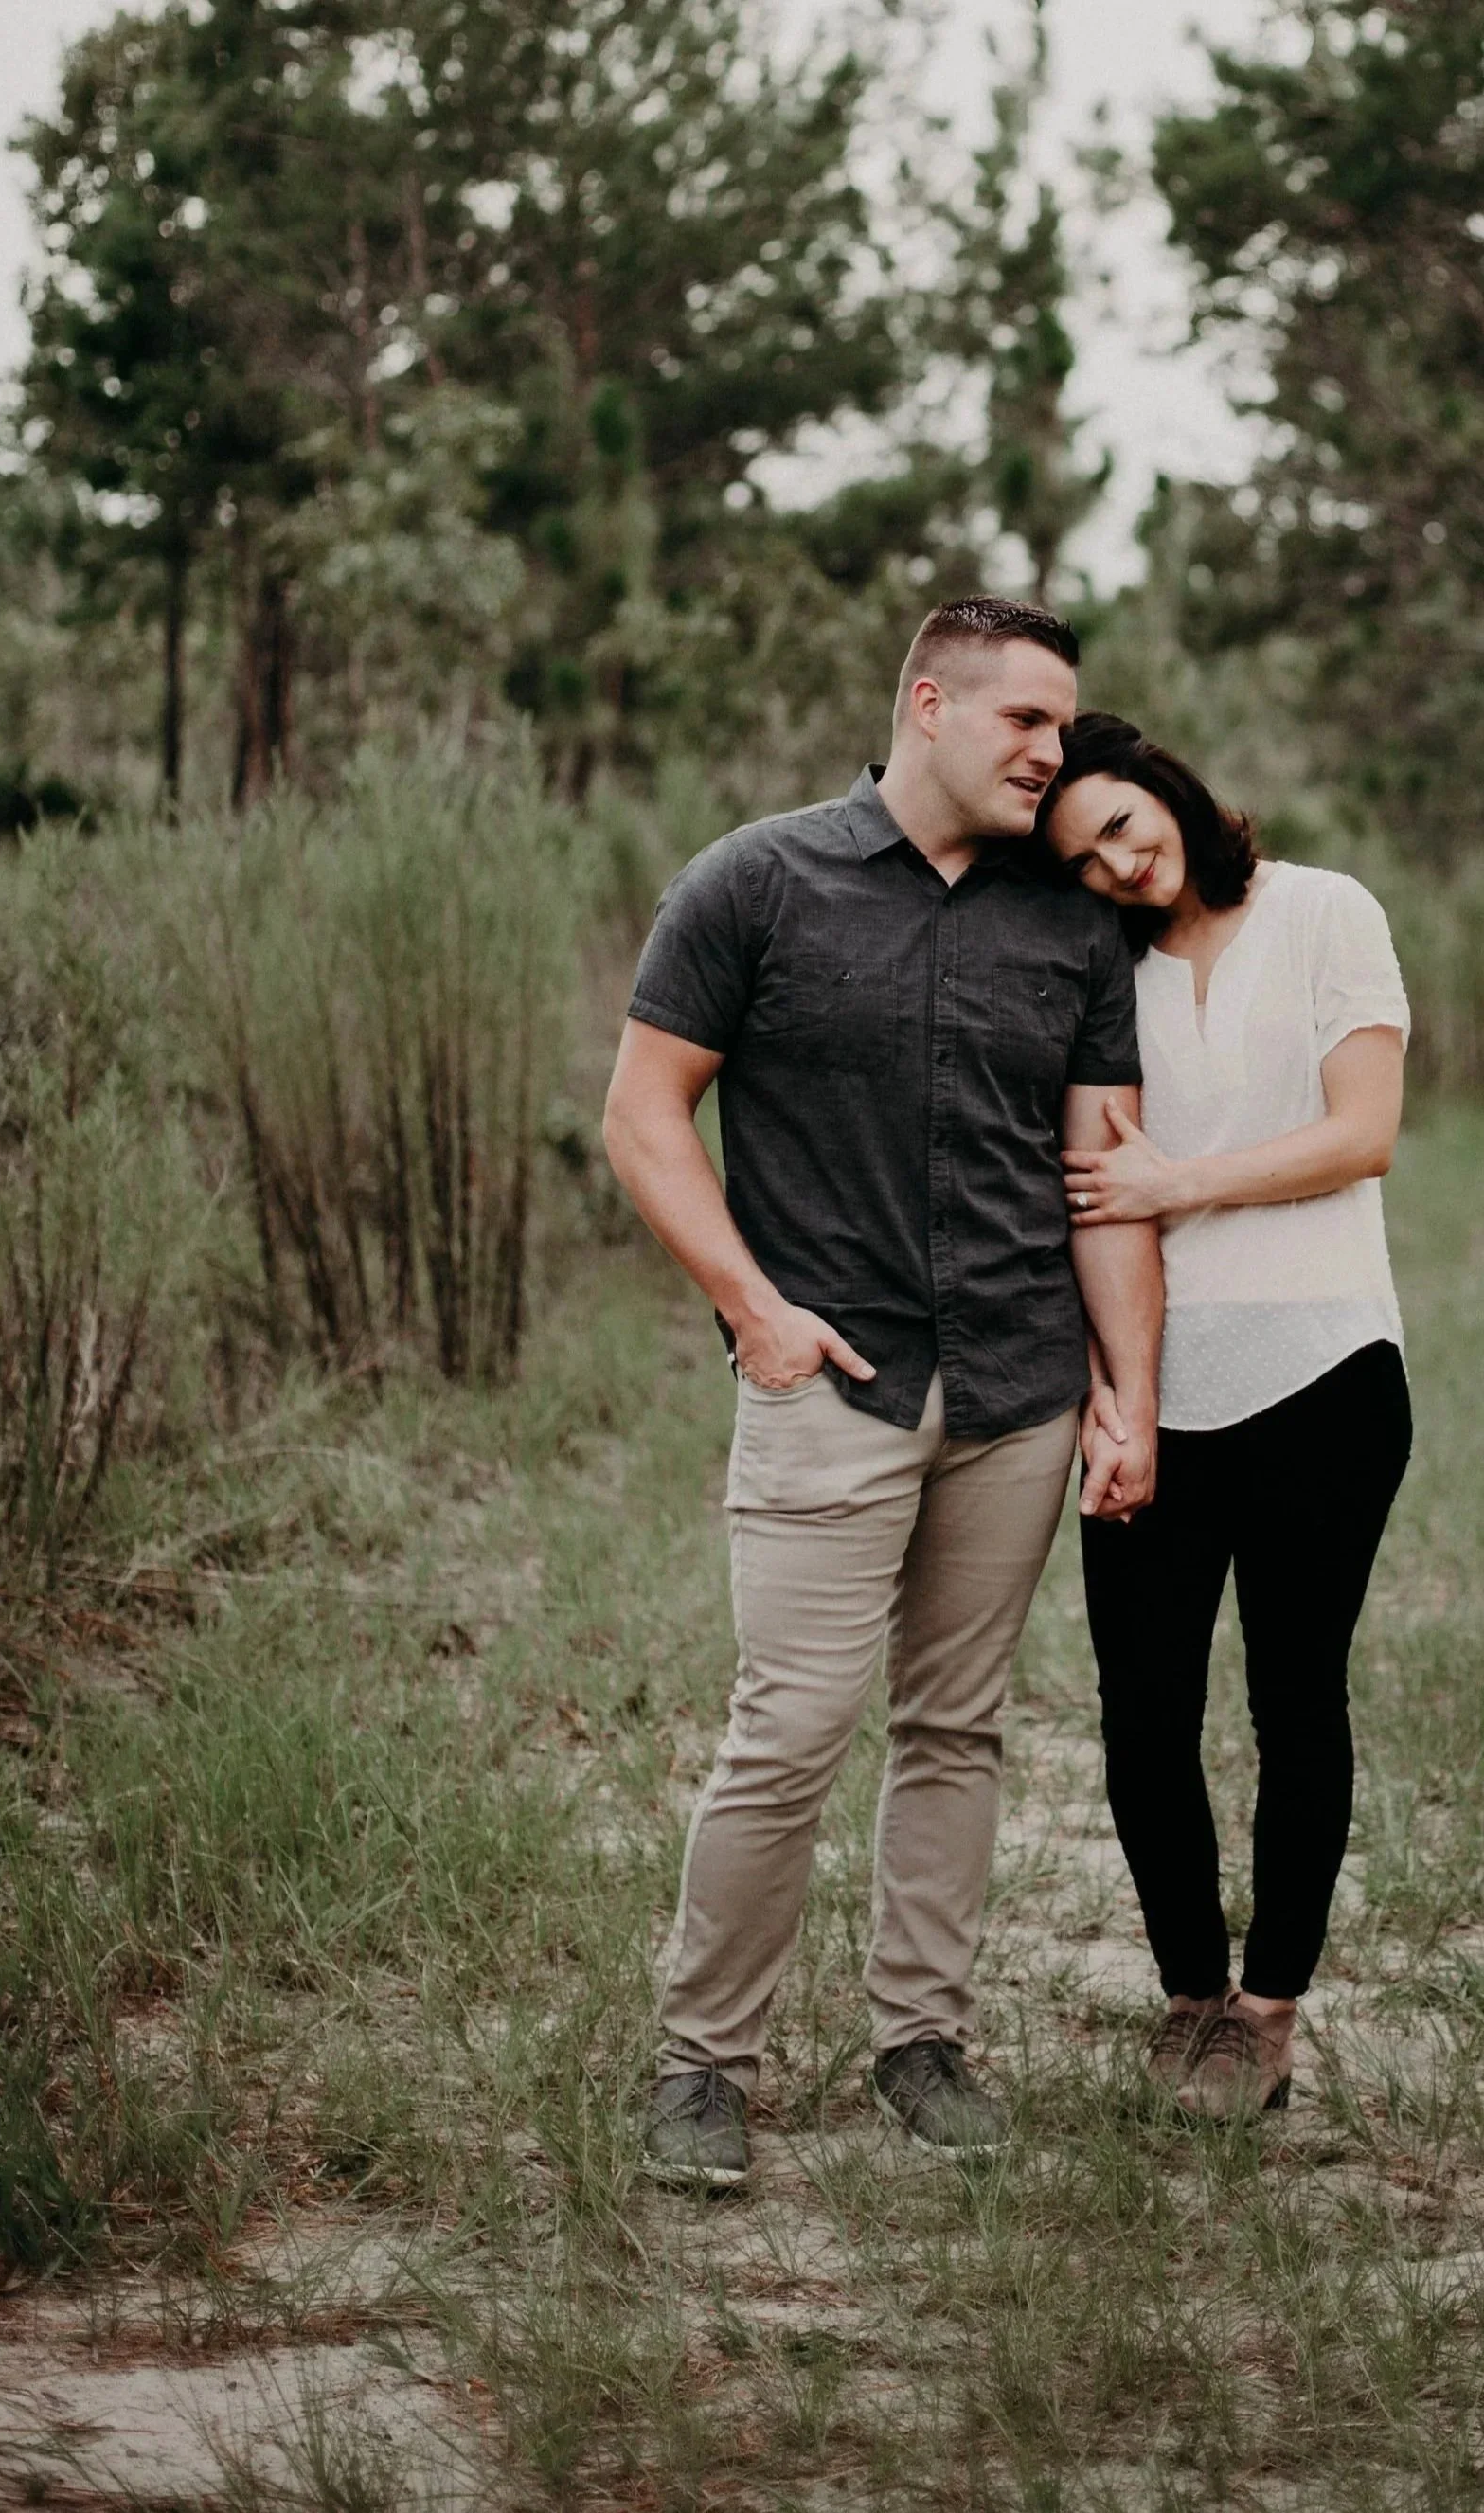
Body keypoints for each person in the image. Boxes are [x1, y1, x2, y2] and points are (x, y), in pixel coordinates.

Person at [603, 602, 1163, 2189]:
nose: (1055, 754)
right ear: (930, 703)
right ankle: (703, 2068)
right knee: (786, 1733)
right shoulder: (755, 882)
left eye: (1065, 727)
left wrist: (1127, 1392)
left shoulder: (1072, 927)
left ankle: (922, 2044)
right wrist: (755, 1314)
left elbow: (1105, 1177)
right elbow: (646, 1118)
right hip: (827, 1383)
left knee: (957, 1728)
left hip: (1018, 1384)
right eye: (1028, 723)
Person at [1038, 713, 1412, 2119]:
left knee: (1294, 1698)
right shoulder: (1096, 974)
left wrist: (1178, 1184)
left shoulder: (1325, 911)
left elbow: (1361, 1132)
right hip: (1157, 1394)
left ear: (1172, 792)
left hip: (1327, 1370)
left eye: (1126, 828)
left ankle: (1270, 2010)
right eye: (1081, 862)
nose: (1119, 869)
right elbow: (1089, 1190)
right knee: (1143, 1711)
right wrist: (1110, 1394)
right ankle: (1190, 1996)